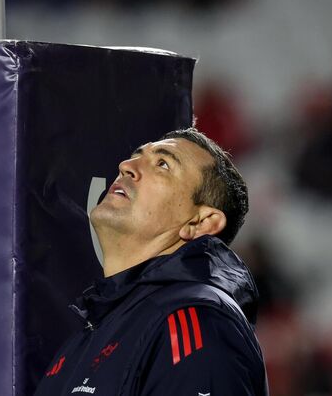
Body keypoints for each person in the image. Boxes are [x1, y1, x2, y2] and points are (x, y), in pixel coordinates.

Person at [34, 127, 268, 396]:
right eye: (136, 156)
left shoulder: (198, 321)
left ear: (201, 222)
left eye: (163, 164)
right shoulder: (88, 335)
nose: (126, 166)